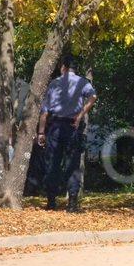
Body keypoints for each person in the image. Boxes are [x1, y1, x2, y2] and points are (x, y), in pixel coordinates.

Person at [37, 55, 97, 212]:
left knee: (53, 163)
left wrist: (41, 132)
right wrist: (80, 115)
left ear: (63, 67)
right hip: (72, 127)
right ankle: (72, 203)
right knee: (73, 164)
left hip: (55, 127)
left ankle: (51, 201)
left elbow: (44, 112)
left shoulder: (54, 83)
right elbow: (93, 97)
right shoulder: (82, 82)